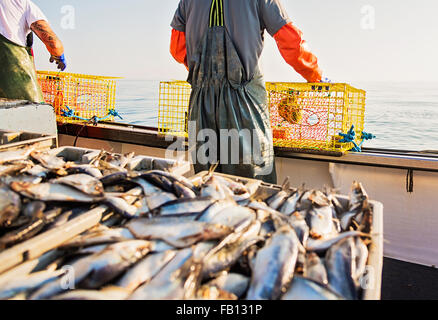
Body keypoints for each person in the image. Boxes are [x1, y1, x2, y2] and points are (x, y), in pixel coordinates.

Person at [170, 0, 324, 184]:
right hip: (244, 105)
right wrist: (315, 75)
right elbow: (289, 40)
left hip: (201, 105)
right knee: (251, 185)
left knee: (207, 183)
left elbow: (177, 47)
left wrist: (205, 75)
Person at [0, 0, 67, 103]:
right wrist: (58, 56)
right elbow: (54, 44)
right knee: (35, 112)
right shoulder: (22, 4)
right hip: (16, 88)